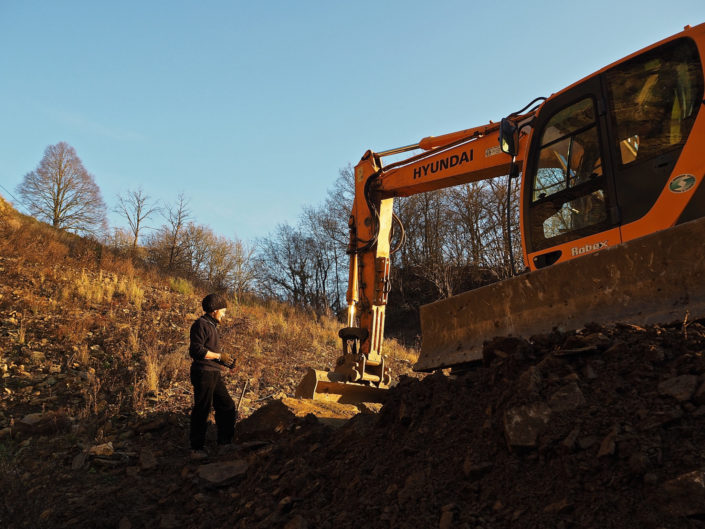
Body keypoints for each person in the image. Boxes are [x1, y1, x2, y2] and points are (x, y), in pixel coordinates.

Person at [188, 293, 237, 459]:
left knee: (227, 406)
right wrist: (218, 356)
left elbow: (210, 353)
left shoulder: (212, 326)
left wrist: (224, 361)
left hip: (213, 372)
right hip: (203, 373)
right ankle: (196, 449)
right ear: (214, 310)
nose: (224, 314)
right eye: (223, 311)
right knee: (202, 409)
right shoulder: (200, 324)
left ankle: (224, 443)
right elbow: (196, 351)